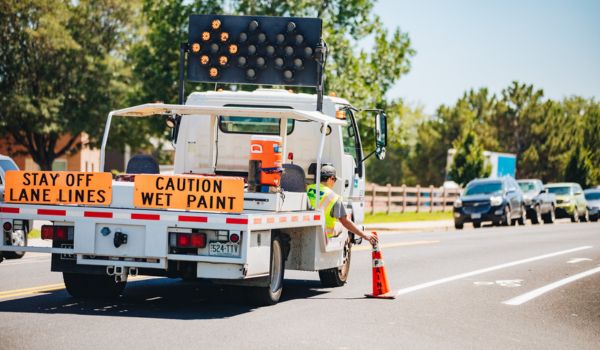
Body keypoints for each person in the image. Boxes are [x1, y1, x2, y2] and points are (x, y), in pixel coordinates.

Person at [307, 165, 379, 246]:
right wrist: (365, 235)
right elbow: (345, 221)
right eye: (335, 180)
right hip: (324, 233)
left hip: (308, 229)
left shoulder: (307, 188)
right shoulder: (333, 197)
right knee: (343, 226)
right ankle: (344, 254)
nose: (334, 182)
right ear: (331, 178)